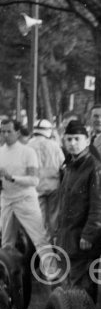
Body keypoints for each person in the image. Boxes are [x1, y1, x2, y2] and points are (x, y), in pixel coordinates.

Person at [56, 119, 101, 302]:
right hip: (70, 239)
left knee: (82, 292)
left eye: (77, 139)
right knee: (72, 289)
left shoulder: (96, 170)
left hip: (83, 242)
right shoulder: (71, 167)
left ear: (87, 141)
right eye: (69, 139)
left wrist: (88, 236)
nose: (72, 143)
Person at [0, 118, 53, 275]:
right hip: (7, 200)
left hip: (26, 200)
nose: (5, 134)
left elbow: (34, 180)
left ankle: (53, 275)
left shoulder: (28, 152)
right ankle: (7, 280)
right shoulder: (0, 152)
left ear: (17, 132)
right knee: (6, 243)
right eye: (2, 131)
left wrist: (12, 178)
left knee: (40, 239)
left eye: (9, 131)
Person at [28, 118, 64, 241]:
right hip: (54, 186)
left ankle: (42, 246)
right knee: (54, 218)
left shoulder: (28, 145)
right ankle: (54, 244)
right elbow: (62, 164)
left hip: (36, 188)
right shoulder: (54, 145)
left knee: (40, 220)